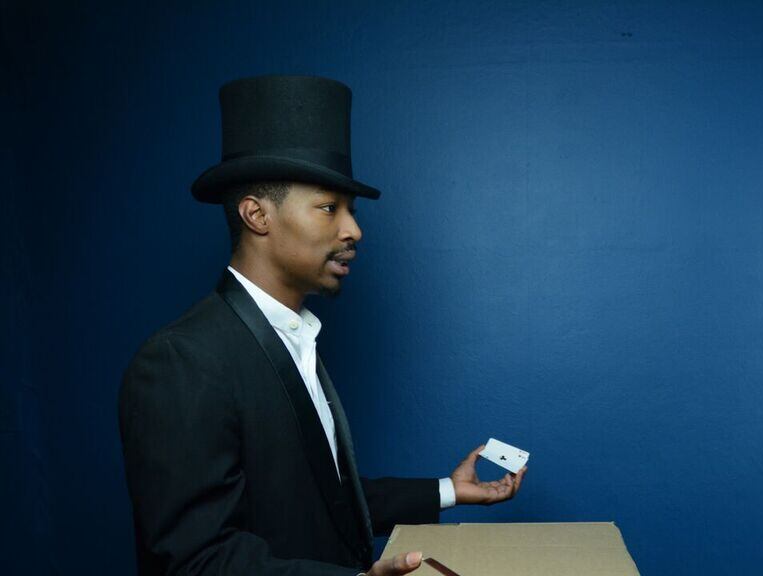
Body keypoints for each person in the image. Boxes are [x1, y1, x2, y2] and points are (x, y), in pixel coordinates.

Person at [119, 75, 526, 576]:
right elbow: (194, 561)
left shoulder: (294, 338)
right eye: (329, 208)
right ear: (256, 215)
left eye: (350, 211)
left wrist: (448, 490)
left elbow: (319, 503)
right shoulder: (182, 360)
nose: (354, 229)